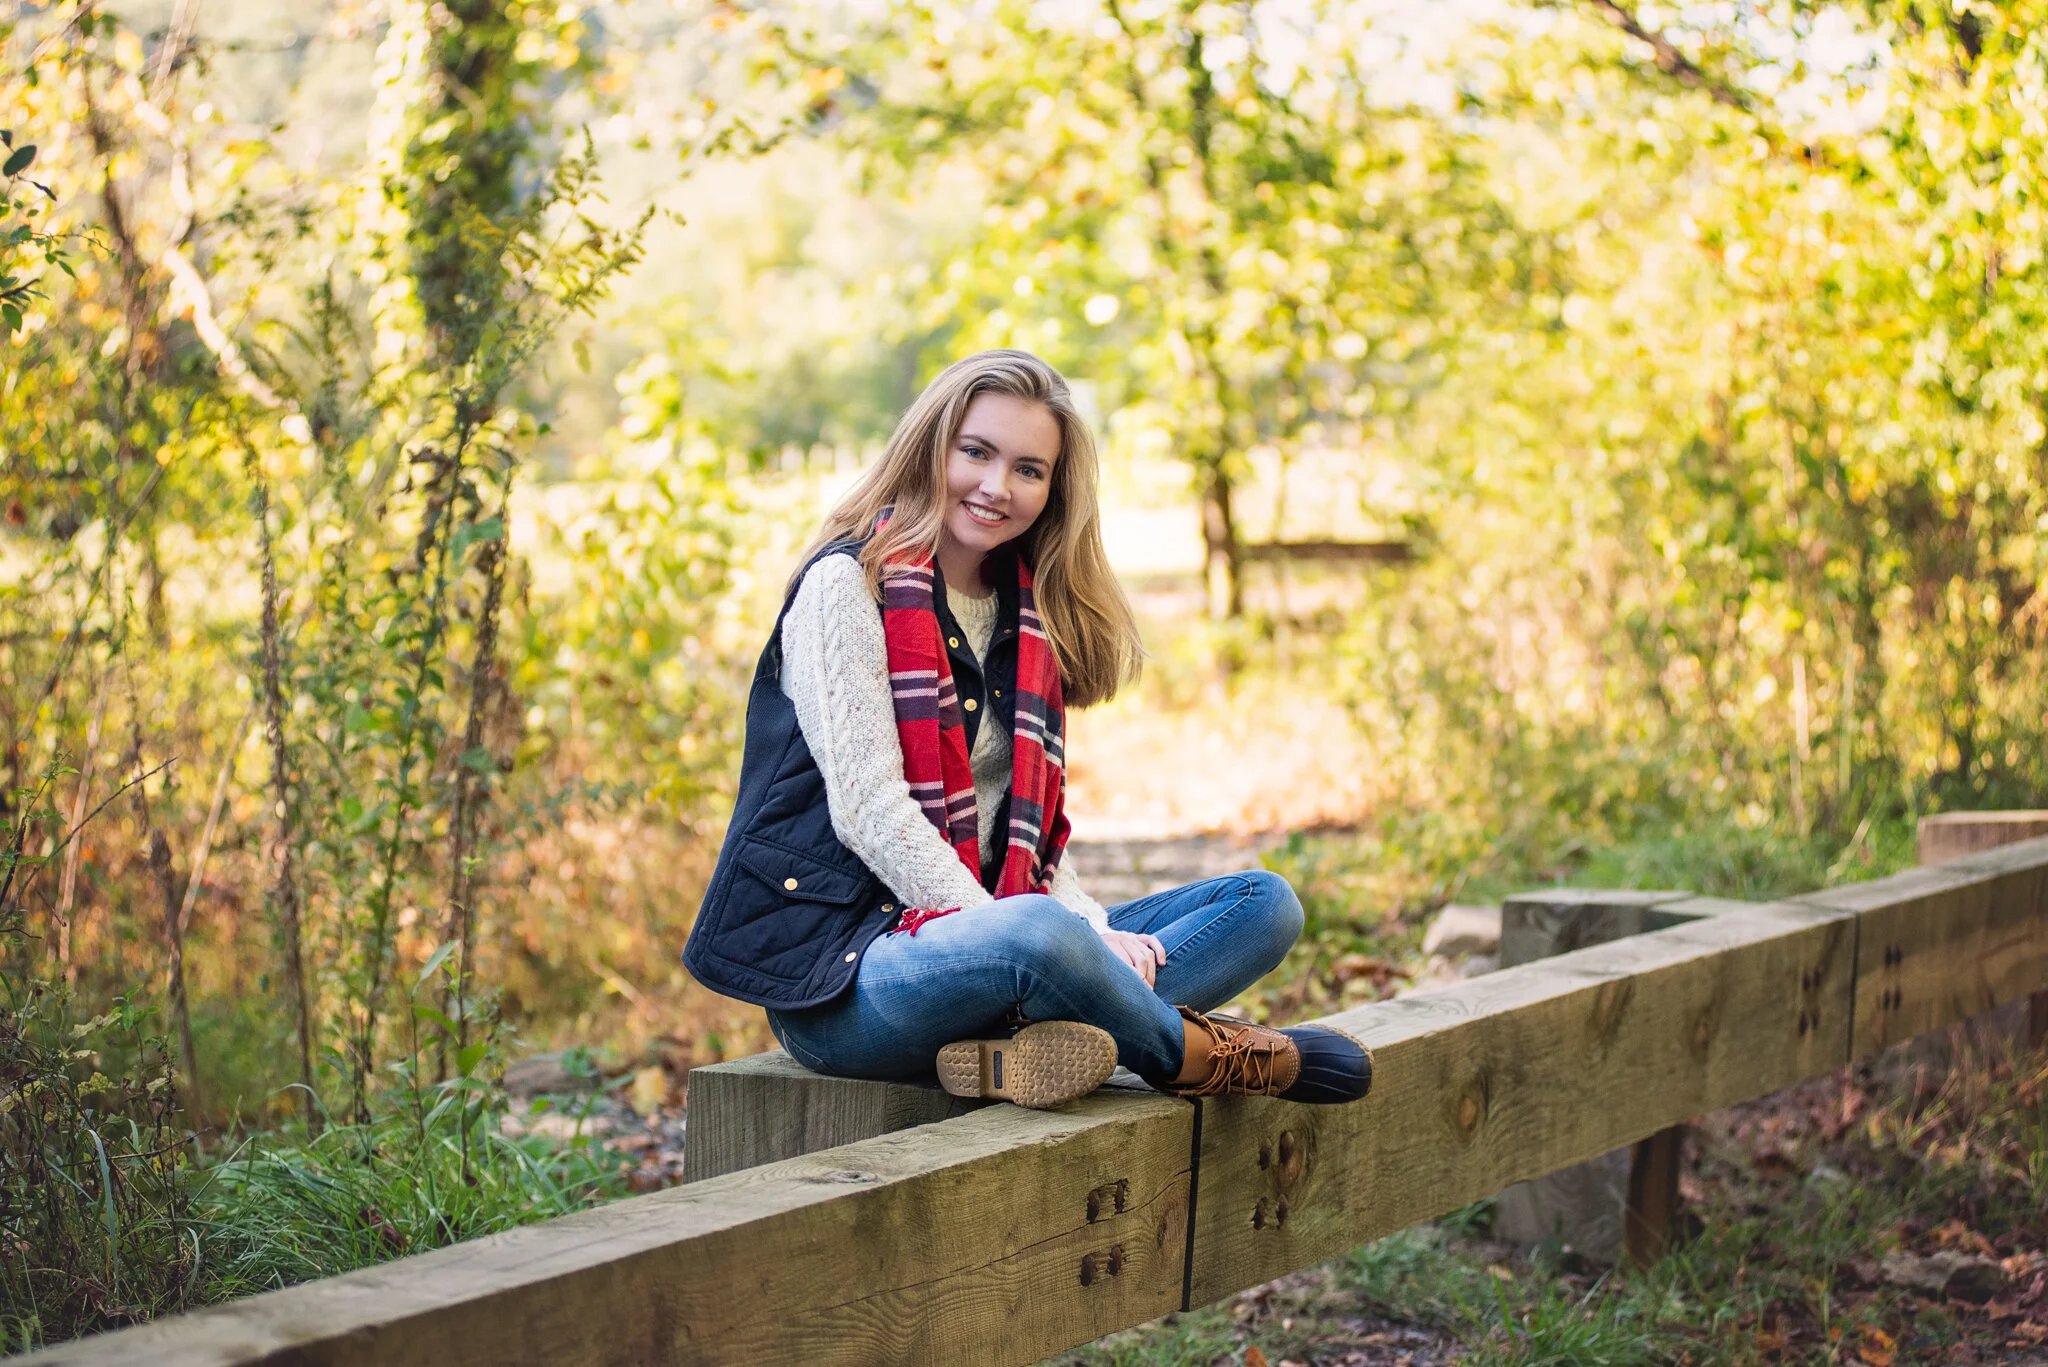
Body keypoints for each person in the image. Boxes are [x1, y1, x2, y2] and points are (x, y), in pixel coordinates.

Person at [683, 349, 1372, 1110]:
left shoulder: (1027, 609)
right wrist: (1042, 936)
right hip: (849, 981)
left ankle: (1013, 1048)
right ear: (931, 446)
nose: (996, 487)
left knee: (1264, 905)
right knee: (1039, 937)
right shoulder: (847, 585)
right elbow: (870, 811)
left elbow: (1028, 835)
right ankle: (1202, 1055)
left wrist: (1086, 931)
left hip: (1006, 940)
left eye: (1028, 469)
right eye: (976, 452)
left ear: (1053, 489)